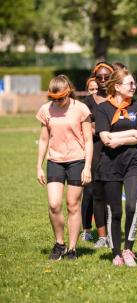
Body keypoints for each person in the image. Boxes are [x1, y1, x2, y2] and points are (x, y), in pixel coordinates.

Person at [95, 68, 137, 267]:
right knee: (115, 211)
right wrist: (131, 134)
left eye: (134, 83)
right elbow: (105, 138)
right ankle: (116, 252)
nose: (134, 87)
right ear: (117, 86)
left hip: (134, 163)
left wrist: (120, 139)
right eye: (130, 84)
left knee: (132, 206)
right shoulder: (102, 109)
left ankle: (128, 249)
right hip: (110, 165)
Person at [36, 75, 93, 260]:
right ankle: (59, 244)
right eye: (53, 99)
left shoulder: (81, 109)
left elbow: (88, 140)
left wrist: (87, 167)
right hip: (55, 161)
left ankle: (72, 248)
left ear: (68, 92)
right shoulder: (46, 110)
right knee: (54, 204)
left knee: (73, 205)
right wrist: (39, 166)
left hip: (77, 160)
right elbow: (44, 139)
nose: (57, 102)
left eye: (60, 98)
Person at [80, 62, 114, 248]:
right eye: (99, 77)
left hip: (116, 151)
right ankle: (100, 236)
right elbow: (83, 128)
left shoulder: (119, 98)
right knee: (95, 193)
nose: (102, 81)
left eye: (106, 77)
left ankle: (112, 232)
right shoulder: (88, 103)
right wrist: (100, 129)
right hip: (94, 151)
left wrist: (97, 127)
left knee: (113, 194)